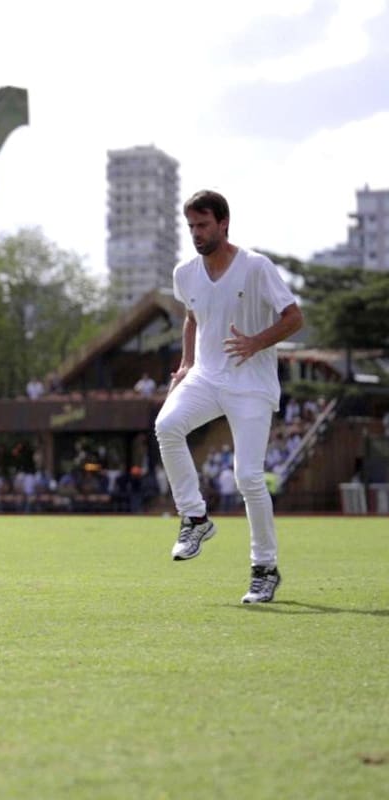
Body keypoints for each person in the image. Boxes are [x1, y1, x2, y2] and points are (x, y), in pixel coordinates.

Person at [154, 190, 303, 604]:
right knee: (166, 426)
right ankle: (195, 517)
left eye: (203, 225)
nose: (196, 234)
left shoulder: (256, 267)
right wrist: (185, 364)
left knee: (249, 478)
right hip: (205, 376)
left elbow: (294, 317)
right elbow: (190, 317)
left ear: (223, 223)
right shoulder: (185, 273)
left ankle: (264, 568)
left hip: (251, 385)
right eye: (191, 227)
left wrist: (256, 342)